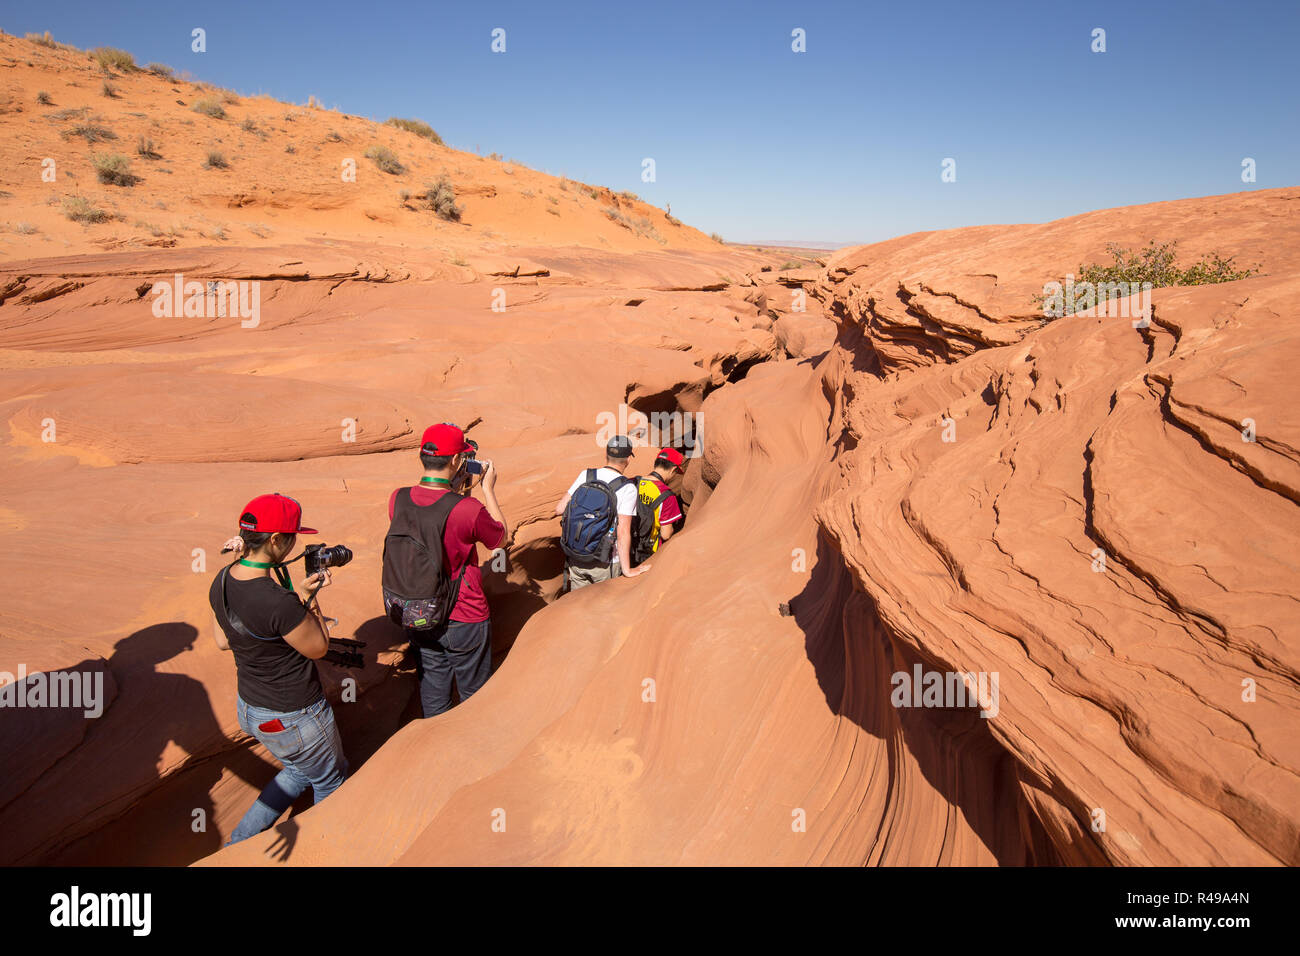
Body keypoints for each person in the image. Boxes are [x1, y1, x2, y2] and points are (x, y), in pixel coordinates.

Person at [209, 493, 348, 845]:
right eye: (292, 537)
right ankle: (324, 851)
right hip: (295, 715)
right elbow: (318, 648)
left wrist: (293, 601)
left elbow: (224, 641)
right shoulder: (278, 601)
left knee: (299, 770)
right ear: (274, 540)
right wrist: (309, 599)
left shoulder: (222, 580)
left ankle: (236, 846)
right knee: (330, 780)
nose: (293, 544)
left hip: (251, 710)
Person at [388, 423, 508, 718]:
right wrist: (487, 490)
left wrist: (454, 490)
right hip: (463, 615)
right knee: (474, 694)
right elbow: (500, 538)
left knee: (433, 688)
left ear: (423, 456)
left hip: (416, 612)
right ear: (456, 461)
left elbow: (428, 516)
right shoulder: (466, 509)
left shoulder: (397, 498)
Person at [556, 435, 647, 590]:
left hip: (577, 557)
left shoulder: (586, 475)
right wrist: (627, 570)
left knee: (578, 604)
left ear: (606, 455)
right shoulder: (627, 488)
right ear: (628, 459)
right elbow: (623, 531)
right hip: (606, 562)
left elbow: (559, 509)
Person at [631, 447, 686, 566]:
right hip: (647, 554)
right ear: (673, 469)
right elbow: (666, 534)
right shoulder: (666, 495)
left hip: (626, 548)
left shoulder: (633, 482)